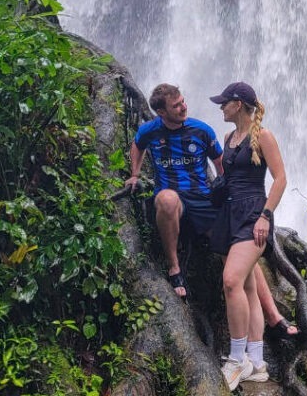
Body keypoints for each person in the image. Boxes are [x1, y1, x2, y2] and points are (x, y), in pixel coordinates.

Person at [124, 84, 297, 334]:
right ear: (161, 112)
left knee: (239, 249)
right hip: (172, 200)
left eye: (183, 101)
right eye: (176, 105)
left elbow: (223, 165)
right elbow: (137, 145)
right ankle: (175, 269)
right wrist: (135, 174)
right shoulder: (150, 131)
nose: (184, 107)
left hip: (205, 201)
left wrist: (236, 204)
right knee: (167, 199)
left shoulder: (202, 131)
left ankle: (273, 315)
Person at [209, 82, 287, 390]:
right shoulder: (229, 138)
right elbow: (228, 179)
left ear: (238, 104)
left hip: (254, 216)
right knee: (249, 288)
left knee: (231, 281)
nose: (221, 108)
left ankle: (236, 358)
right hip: (230, 215)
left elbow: (281, 179)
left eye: (224, 103)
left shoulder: (263, 137)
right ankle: (257, 363)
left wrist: (266, 217)